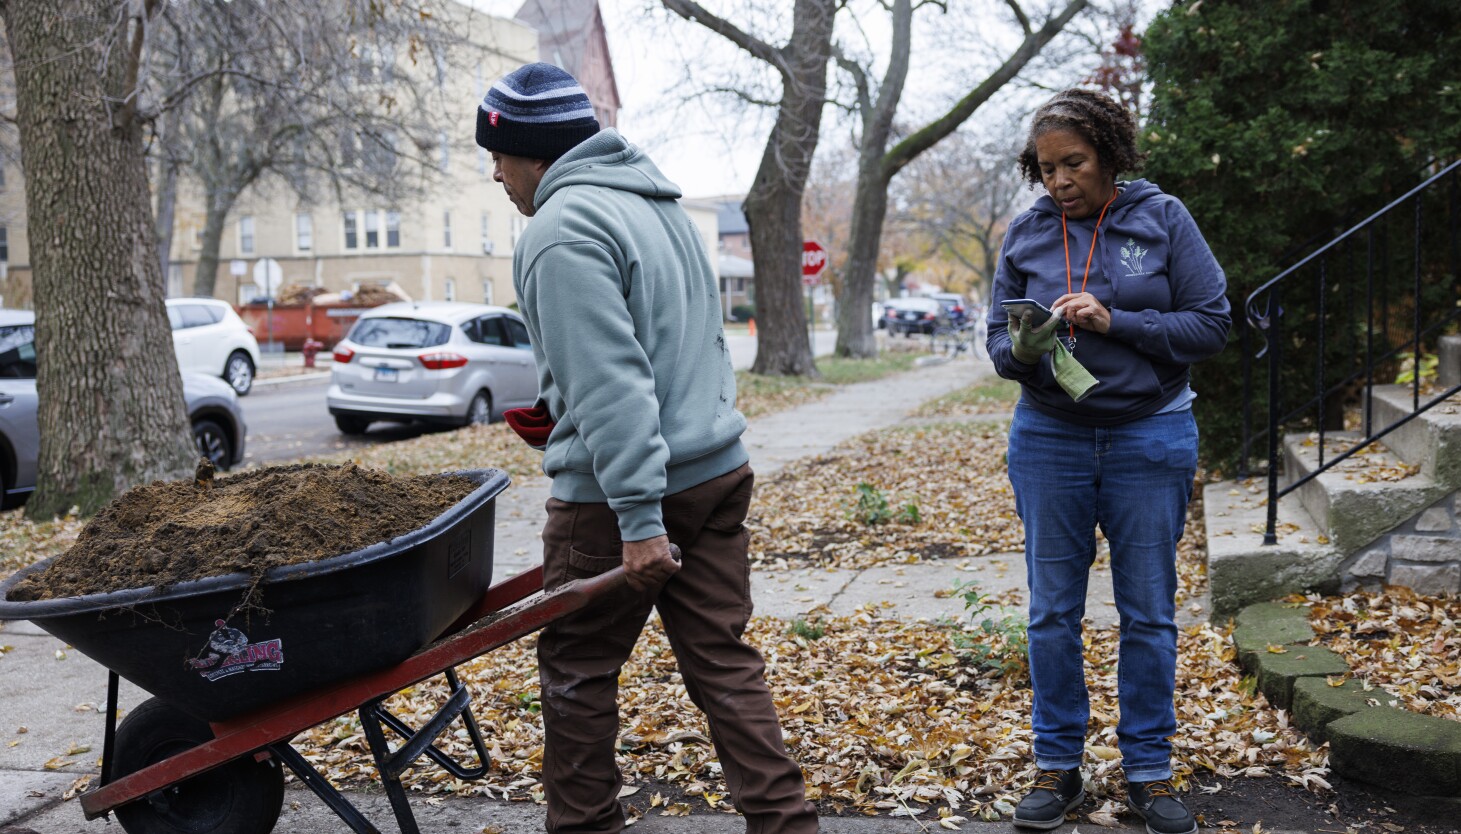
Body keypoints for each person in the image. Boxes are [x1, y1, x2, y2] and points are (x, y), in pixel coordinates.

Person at [476, 62, 819, 834]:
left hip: (619, 496)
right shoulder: (658, 209)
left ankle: (585, 826)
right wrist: (559, 405)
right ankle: (786, 824)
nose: (493, 173)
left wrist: (636, 516)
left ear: (533, 152)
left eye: (497, 156)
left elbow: (616, 383)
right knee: (723, 662)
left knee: (579, 671)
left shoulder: (561, 231)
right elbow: (674, 347)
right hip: (714, 471)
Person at [985, 88, 1231, 834]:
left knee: (1149, 613)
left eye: (1073, 163)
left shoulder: (1160, 219)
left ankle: (1148, 772)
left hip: (1148, 436)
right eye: (1045, 167)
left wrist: (1115, 319)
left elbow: (1211, 324)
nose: (1058, 180)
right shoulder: (1026, 233)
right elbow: (997, 345)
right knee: (1052, 612)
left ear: (1109, 156)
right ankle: (1057, 767)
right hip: (1049, 438)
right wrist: (1024, 347)